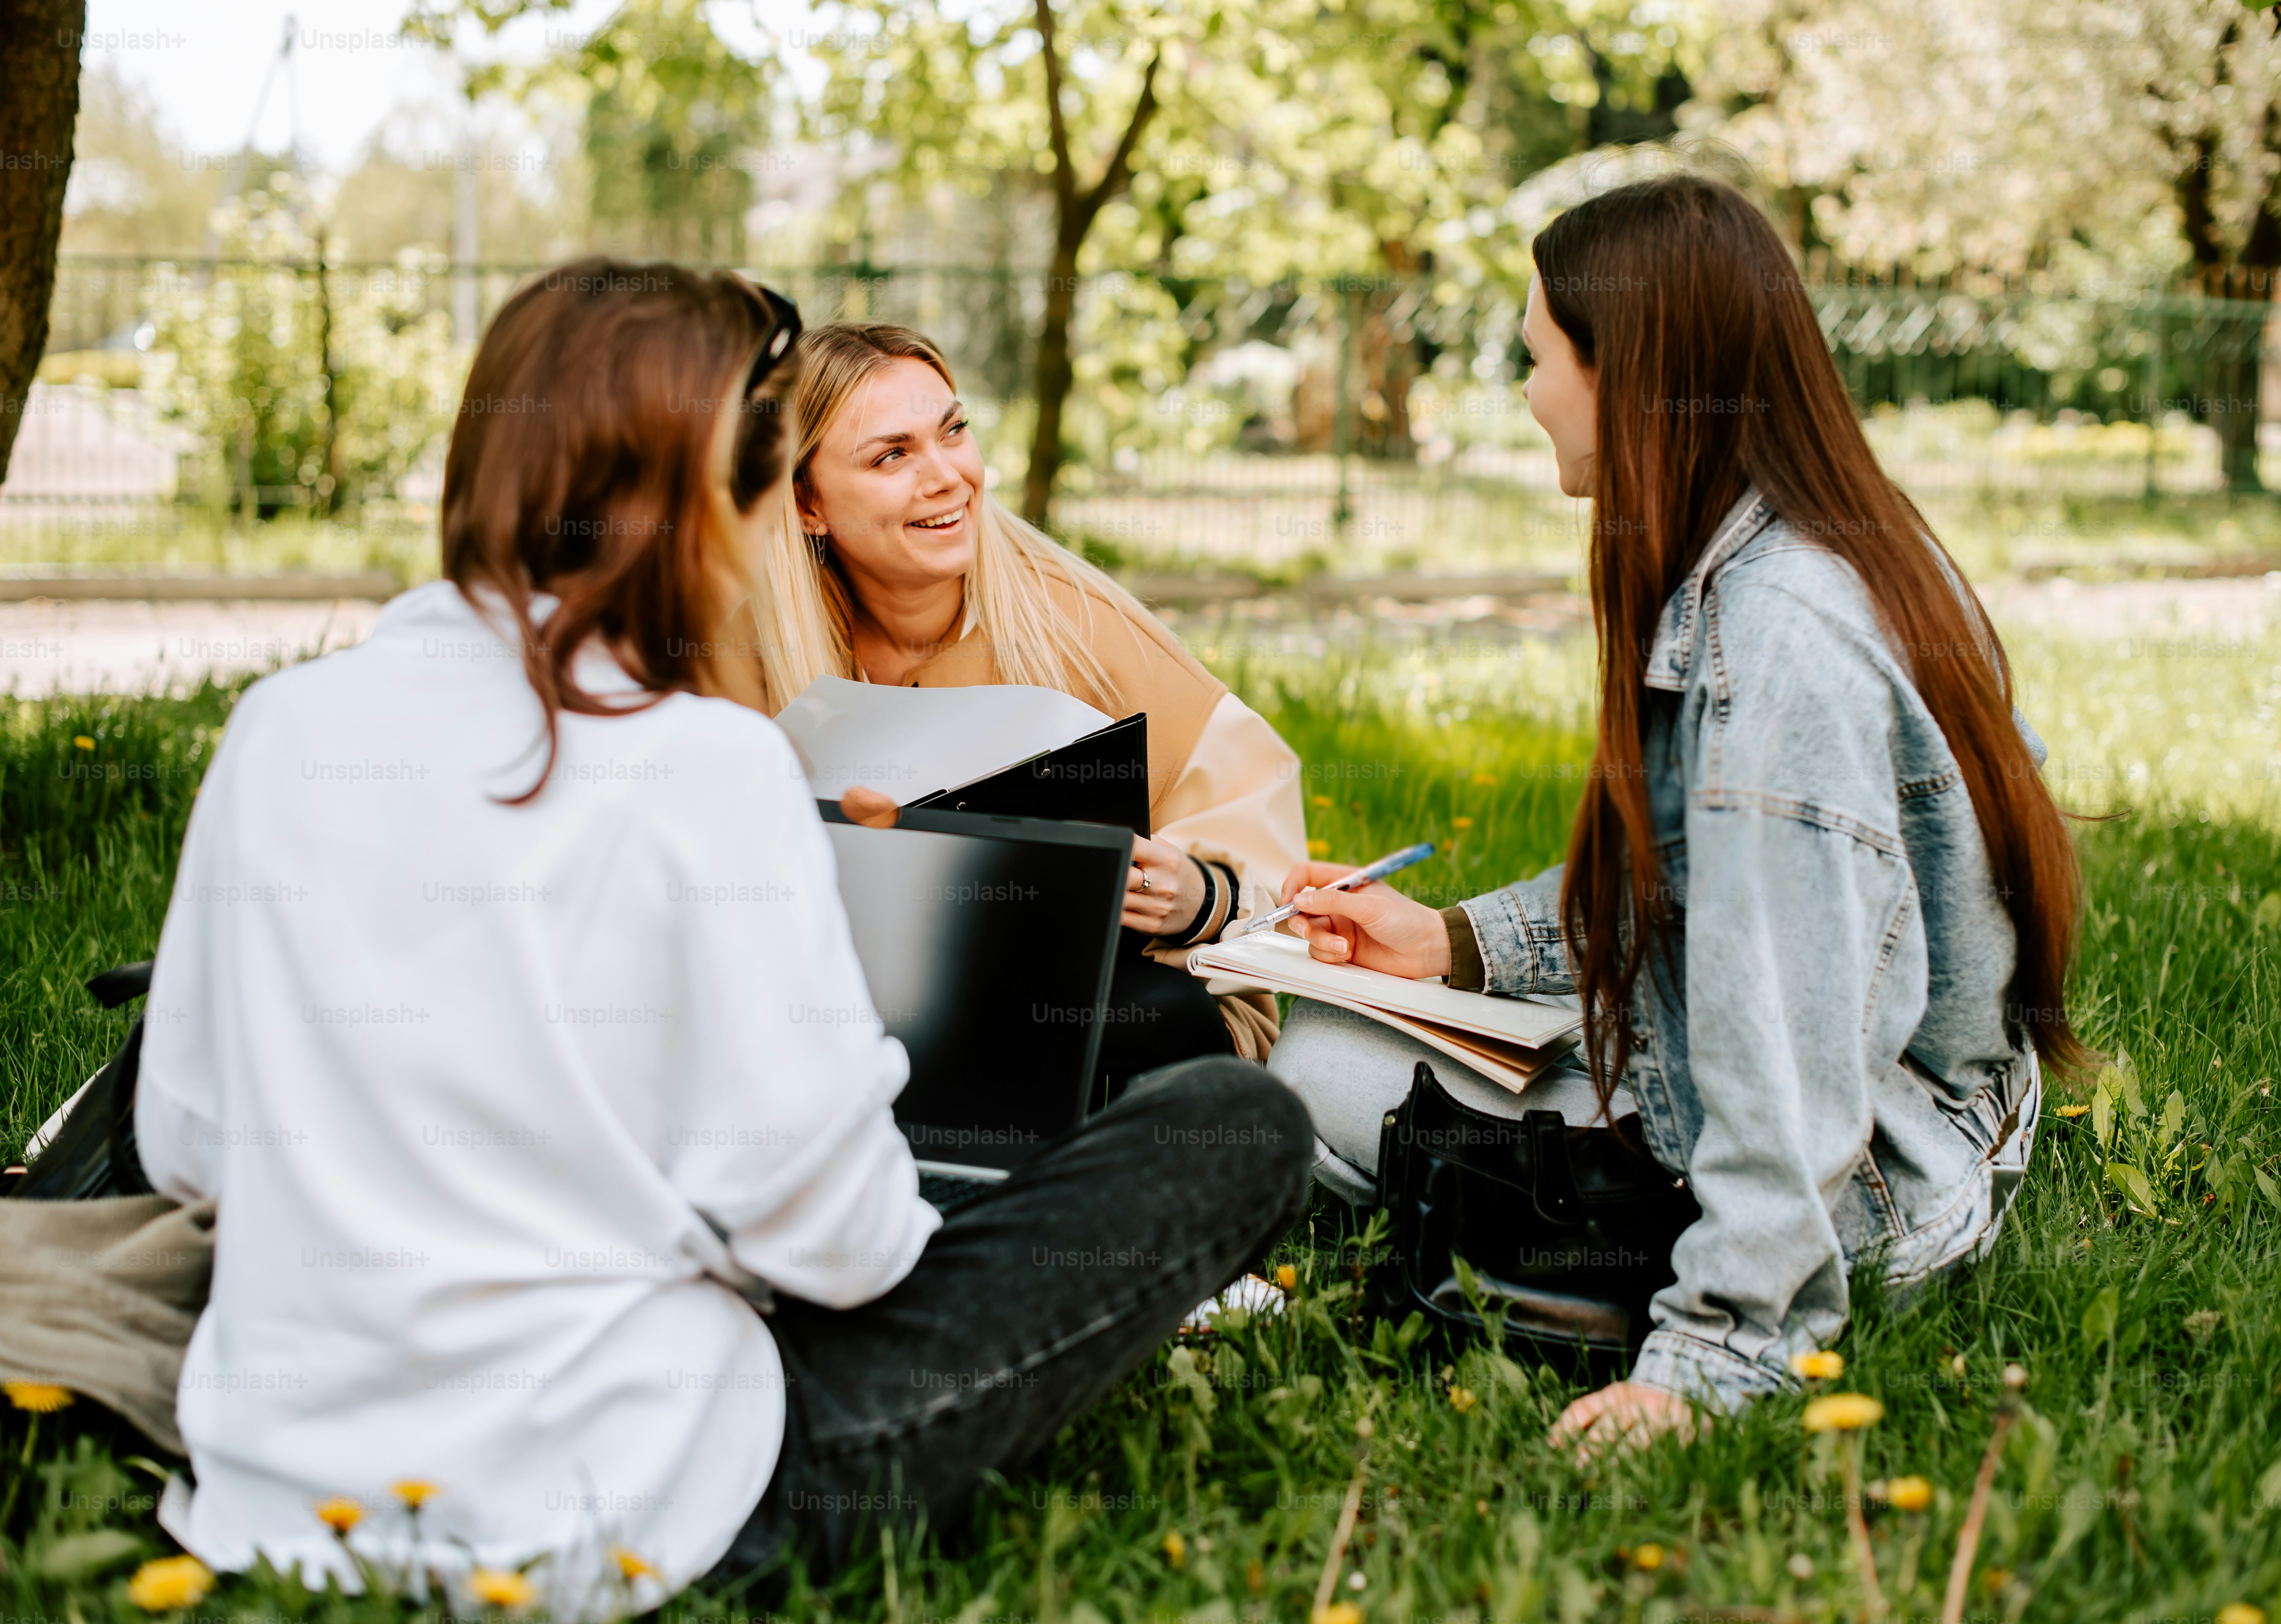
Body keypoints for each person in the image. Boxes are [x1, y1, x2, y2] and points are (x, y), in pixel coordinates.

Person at [129, 259, 1311, 1615]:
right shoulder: (706, 764)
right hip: (642, 1500)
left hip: (281, 1496)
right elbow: (842, 1247)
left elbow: (187, 1146)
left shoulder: (279, 727)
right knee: (1235, 1127)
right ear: (730, 506)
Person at [1264, 173, 2085, 1452]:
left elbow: (1789, 1035)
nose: (1527, 394)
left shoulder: (1776, 647)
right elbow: (1697, 887)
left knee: (1301, 1068)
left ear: (1626, 380)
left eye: (1537, 359)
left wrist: (1714, 1355)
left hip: (1879, 1172)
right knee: (1321, 1036)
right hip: (1907, 1100)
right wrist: (1450, 945)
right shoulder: (1798, 552)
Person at [722, 322, 1307, 1080]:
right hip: (846, 984)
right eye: (892, 455)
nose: (947, 476)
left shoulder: (1082, 631)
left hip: (1086, 996)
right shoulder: (746, 650)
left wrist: (1198, 895)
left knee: (1153, 1019)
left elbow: (1266, 880)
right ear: (807, 503)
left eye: (953, 431)